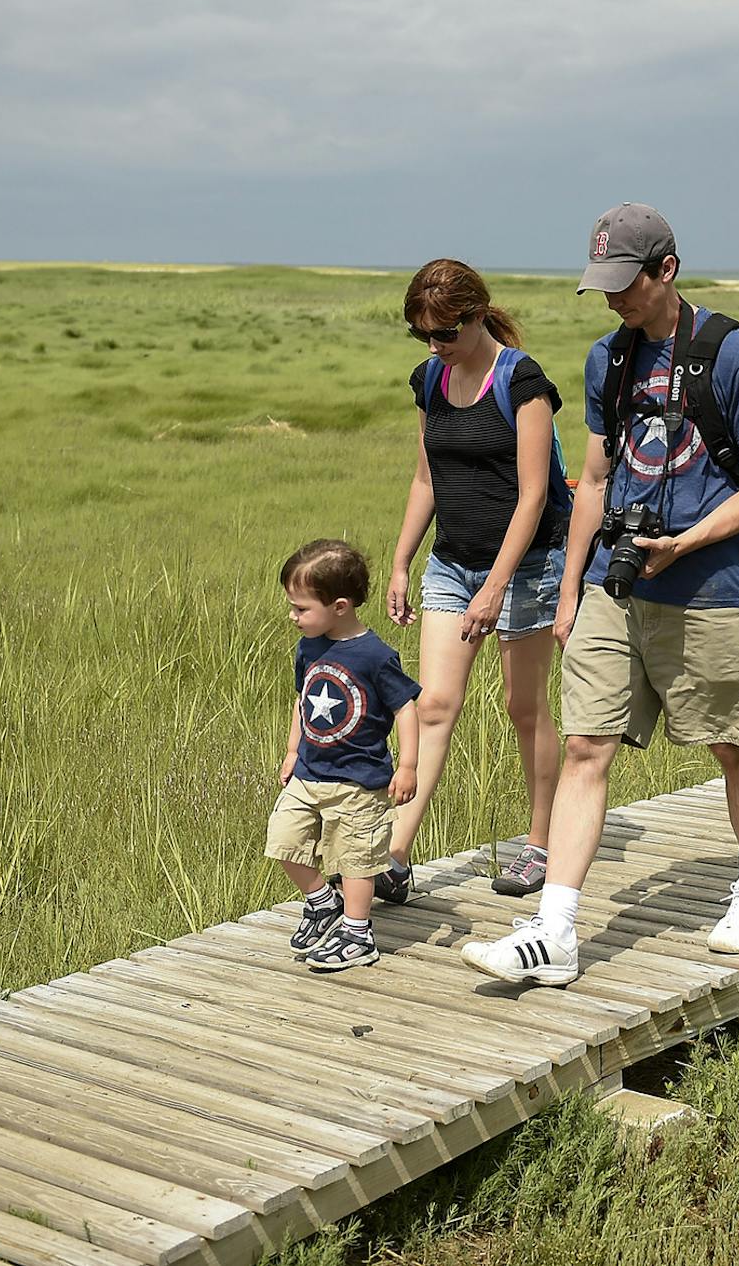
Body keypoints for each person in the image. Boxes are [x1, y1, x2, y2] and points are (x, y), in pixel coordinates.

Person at [462, 204, 739, 987]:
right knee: (586, 744)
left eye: (627, 284)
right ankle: (555, 930)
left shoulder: (729, 355)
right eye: (602, 285)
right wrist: (571, 588)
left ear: (667, 270)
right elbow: (597, 481)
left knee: (730, 744)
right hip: (615, 583)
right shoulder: (606, 361)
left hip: (712, 587)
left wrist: (687, 541)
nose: (614, 299)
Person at [383, 260, 569, 901]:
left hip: (526, 569)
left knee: (525, 709)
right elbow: (425, 478)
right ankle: (396, 855)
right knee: (433, 705)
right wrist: (402, 561)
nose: (435, 347)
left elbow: (534, 494)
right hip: (451, 561)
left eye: (444, 333)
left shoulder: (523, 383)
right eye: (422, 336)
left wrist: (496, 586)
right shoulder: (430, 380)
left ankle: (540, 845)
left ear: (476, 315)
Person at [266, 539, 420, 972]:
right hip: (309, 773)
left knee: (357, 859)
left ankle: (357, 932)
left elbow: (406, 708)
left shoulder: (374, 656)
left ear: (339, 606)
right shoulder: (309, 647)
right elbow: (302, 700)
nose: (293, 617)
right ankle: (321, 902)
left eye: (300, 609)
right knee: (284, 841)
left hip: (359, 782)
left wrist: (407, 765)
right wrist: (293, 749)